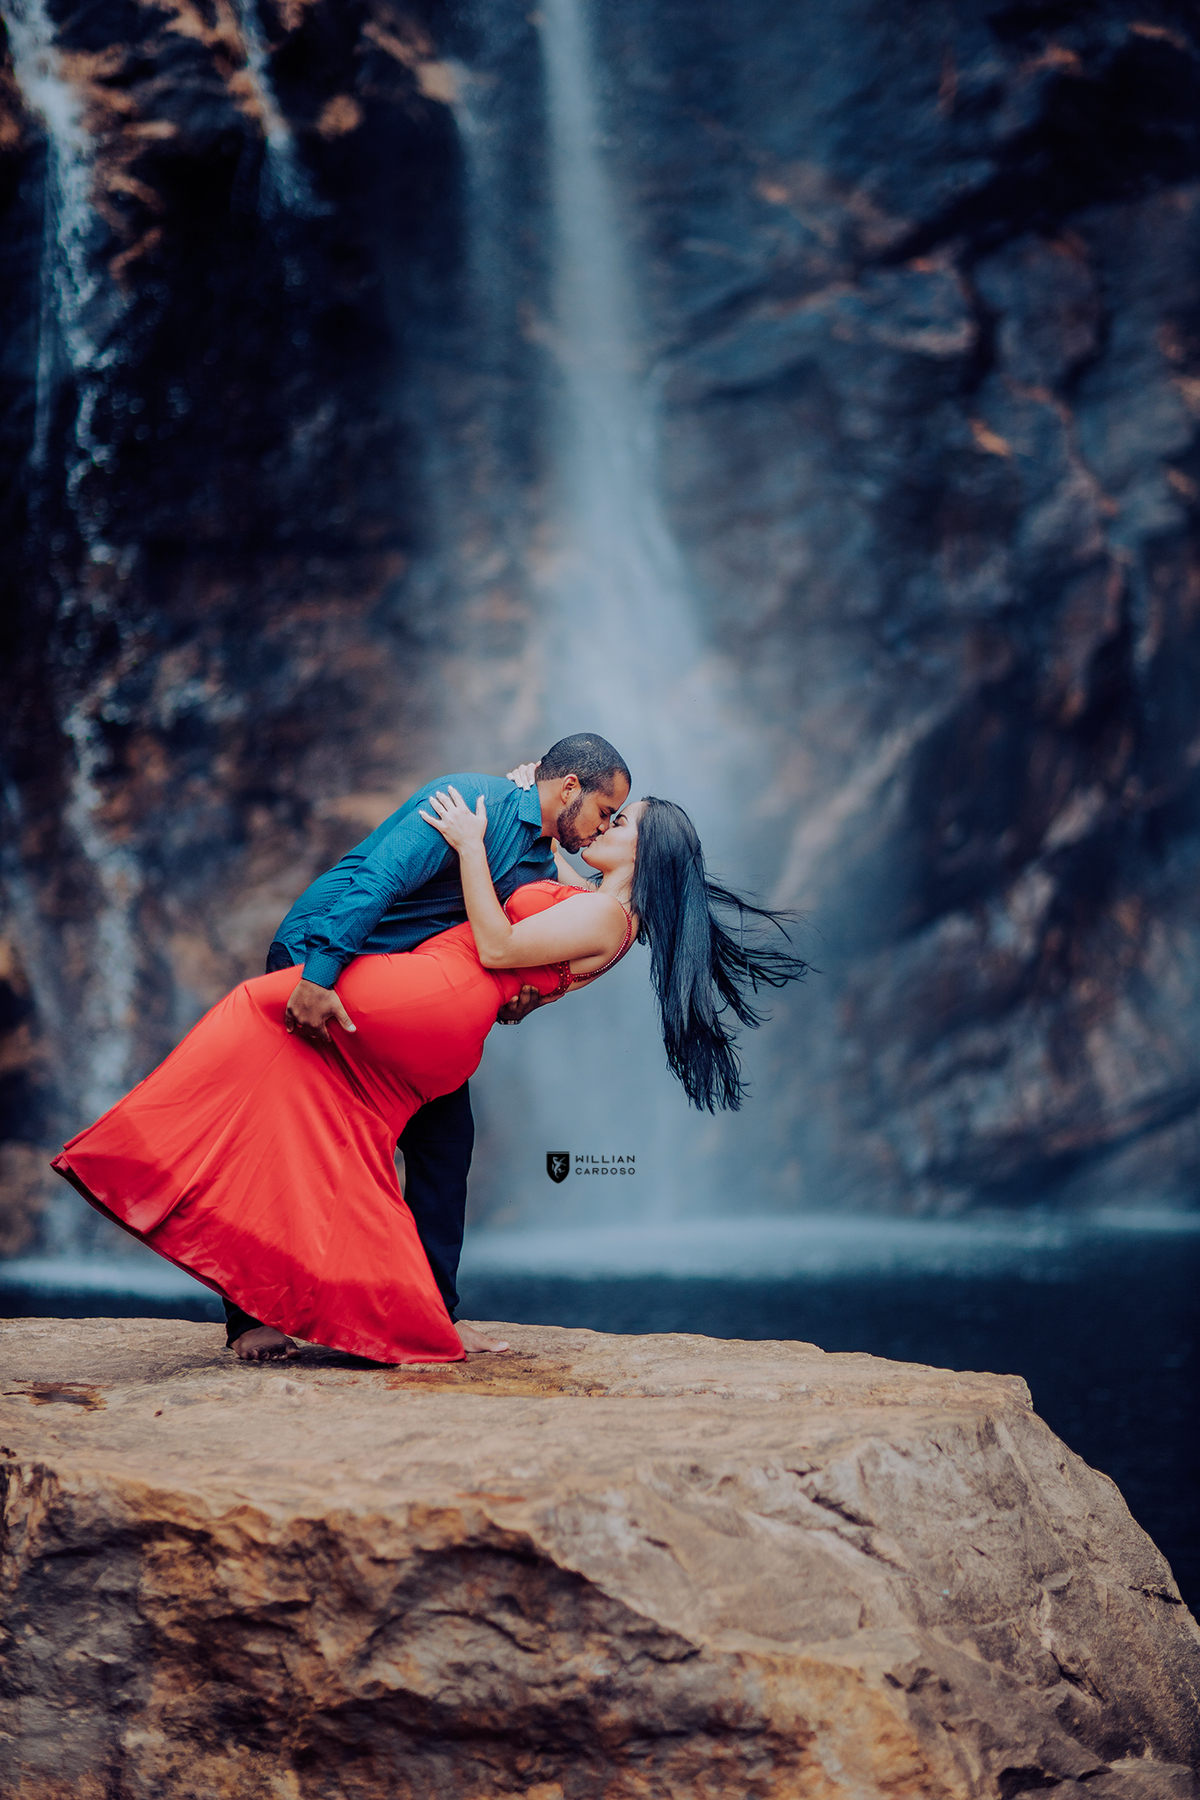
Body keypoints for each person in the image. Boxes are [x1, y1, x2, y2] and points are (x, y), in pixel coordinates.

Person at [51, 787, 808, 1366]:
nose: (605, 827)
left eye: (622, 822)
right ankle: (387, 1311)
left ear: (650, 854)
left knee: (255, 1012)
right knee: (356, 1129)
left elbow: (500, 946)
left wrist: (473, 846)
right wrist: (533, 799)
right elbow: (543, 910)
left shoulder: (608, 918)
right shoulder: (599, 907)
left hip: (432, 994)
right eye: (606, 812)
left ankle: (135, 1160)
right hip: (444, 1021)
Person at [234, 732, 631, 1360]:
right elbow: (379, 878)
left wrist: (523, 999)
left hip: (402, 994)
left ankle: (431, 1317)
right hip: (322, 960)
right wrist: (317, 977)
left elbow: (513, 945)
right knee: (299, 1137)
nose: (604, 827)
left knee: (445, 1146)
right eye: (605, 812)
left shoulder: (539, 862)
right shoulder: (468, 801)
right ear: (570, 788)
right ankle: (250, 1316)